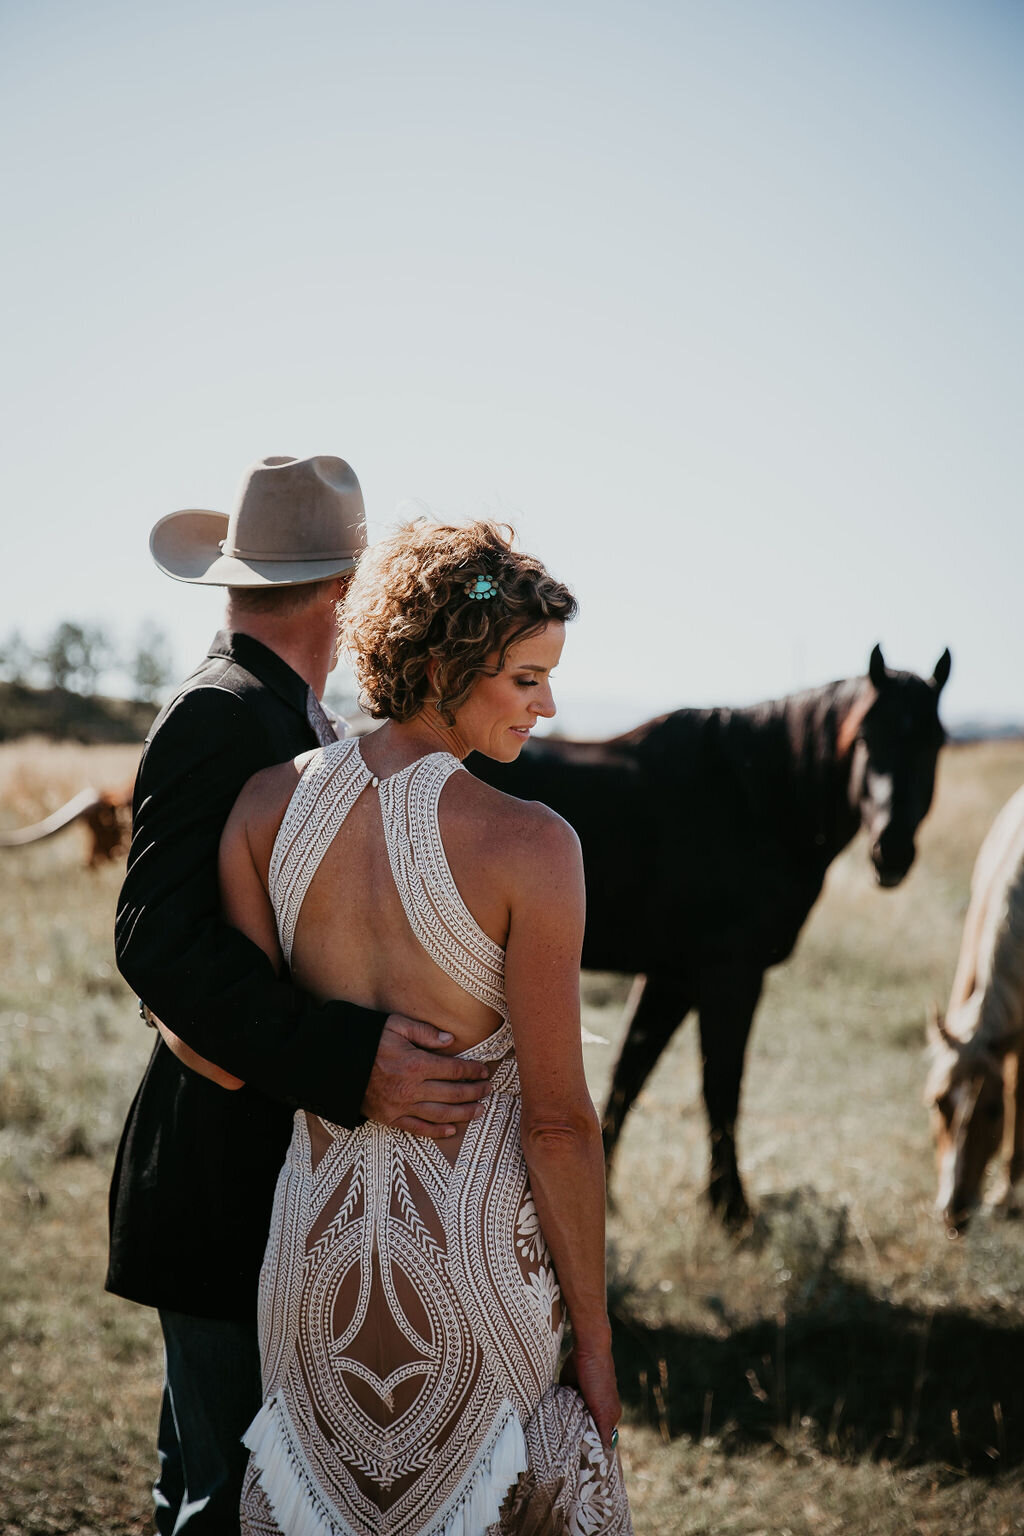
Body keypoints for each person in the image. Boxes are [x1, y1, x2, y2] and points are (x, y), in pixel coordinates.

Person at [177, 519, 632, 1534]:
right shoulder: (533, 845)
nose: (547, 705)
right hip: (470, 1283)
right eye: (525, 677)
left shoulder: (260, 811)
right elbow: (557, 1125)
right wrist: (595, 1339)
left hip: (309, 1273)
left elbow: (240, 1042)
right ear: (442, 665)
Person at [107, 456, 493, 1536]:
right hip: (215, 1166)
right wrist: (348, 1059)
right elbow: (153, 940)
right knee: (224, 1499)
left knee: (248, 1482)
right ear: (338, 593)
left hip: (265, 1173)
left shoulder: (290, 714)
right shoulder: (222, 714)